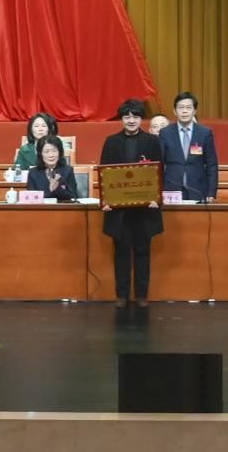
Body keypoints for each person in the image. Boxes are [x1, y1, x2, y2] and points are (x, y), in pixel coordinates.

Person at [100, 99, 164, 307]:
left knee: (143, 251)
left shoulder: (152, 142)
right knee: (121, 252)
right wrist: (106, 200)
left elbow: (159, 171)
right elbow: (105, 173)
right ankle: (122, 295)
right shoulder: (111, 142)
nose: (131, 120)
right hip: (119, 210)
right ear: (122, 119)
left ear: (140, 119)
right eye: (127, 116)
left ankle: (142, 295)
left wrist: (156, 198)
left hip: (145, 209)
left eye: (135, 116)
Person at [158, 92, 219, 201]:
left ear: (194, 111)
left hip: (198, 189)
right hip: (172, 190)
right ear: (174, 111)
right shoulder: (165, 133)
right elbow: (159, 164)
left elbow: (212, 165)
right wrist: (158, 191)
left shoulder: (205, 133)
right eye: (181, 107)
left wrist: (211, 192)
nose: (184, 111)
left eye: (188, 107)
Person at [25, 135, 78, 202]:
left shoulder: (67, 170)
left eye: (54, 151)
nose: (51, 155)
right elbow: (31, 199)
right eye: (46, 152)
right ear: (40, 154)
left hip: (62, 208)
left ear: (60, 152)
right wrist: (50, 190)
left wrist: (58, 189)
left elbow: (74, 197)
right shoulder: (33, 173)